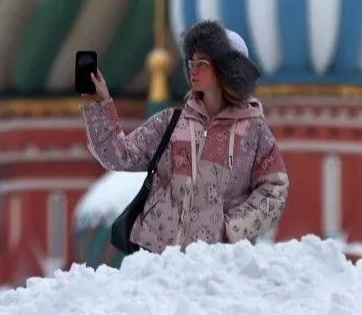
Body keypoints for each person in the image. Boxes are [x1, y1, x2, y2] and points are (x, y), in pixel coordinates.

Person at [80, 20, 289, 253]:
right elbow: (118, 156)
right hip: (160, 260)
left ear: (227, 69)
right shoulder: (170, 122)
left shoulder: (254, 132)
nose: (193, 69)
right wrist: (99, 104)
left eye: (202, 63)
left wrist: (233, 229)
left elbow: (274, 189)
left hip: (218, 263)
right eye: (192, 62)